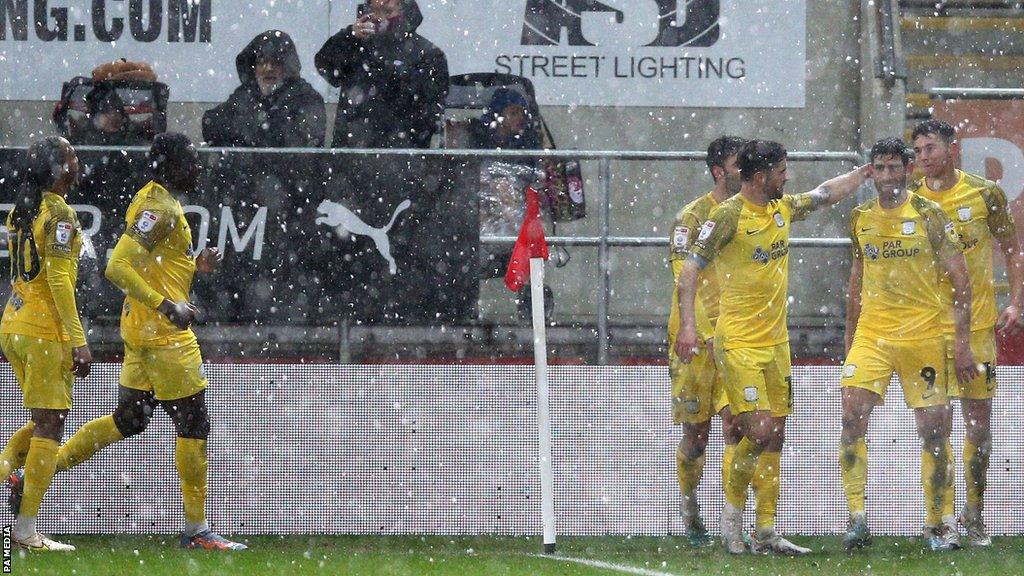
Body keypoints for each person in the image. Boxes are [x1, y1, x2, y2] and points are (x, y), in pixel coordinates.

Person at [9, 133, 244, 551]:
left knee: (129, 419)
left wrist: (193, 266)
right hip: (164, 335)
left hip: (134, 329)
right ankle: (197, 531)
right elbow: (118, 266)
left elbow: (151, 265)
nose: (197, 164)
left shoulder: (151, 200)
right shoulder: (158, 208)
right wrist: (168, 305)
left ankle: (33, 475)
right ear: (172, 165)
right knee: (194, 423)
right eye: (190, 158)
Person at [675, 140, 871, 555]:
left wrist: (861, 174)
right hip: (739, 343)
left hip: (776, 342)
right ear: (762, 177)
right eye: (782, 171)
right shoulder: (727, 216)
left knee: (775, 435)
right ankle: (731, 518)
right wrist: (689, 326)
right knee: (757, 429)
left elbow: (822, 195)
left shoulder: (781, 208)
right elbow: (689, 270)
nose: (787, 177)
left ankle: (766, 529)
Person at [839, 137, 975, 551]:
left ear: (909, 170)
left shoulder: (930, 214)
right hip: (872, 336)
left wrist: (963, 343)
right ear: (872, 173)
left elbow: (962, 283)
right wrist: (850, 342)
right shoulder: (860, 217)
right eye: (879, 169)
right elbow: (856, 284)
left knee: (934, 429)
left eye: (893, 168)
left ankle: (940, 522)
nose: (886, 177)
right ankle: (857, 517)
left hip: (923, 334)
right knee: (850, 417)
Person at [910, 119, 1023, 547]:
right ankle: (938, 521)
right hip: (926, 329)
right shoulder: (910, 201)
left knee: (978, 428)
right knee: (934, 427)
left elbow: (1012, 250)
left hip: (976, 329)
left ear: (951, 149)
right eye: (918, 150)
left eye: (930, 148)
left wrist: (1015, 302)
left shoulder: (984, 193)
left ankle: (973, 516)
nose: (923, 157)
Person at [0, 137, 91, 551]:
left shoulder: (22, 210)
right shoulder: (60, 214)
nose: (77, 161)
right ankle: (24, 531)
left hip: (13, 323)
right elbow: (57, 280)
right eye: (71, 155)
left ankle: (21, 518)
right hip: (42, 330)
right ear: (58, 169)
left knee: (42, 421)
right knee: (51, 423)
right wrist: (78, 340)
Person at [667, 136, 755, 546]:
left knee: (736, 424)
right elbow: (682, 276)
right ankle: (689, 508)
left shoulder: (747, 212)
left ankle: (730, 517)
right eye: (740, 164)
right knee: (696, 433)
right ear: (720, 171)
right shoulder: (692, 216)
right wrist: (695, 328)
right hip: (695, 341)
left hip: (736, 336)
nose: (747, 170)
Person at [315, 0, 449, 148]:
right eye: (373, 11)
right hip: (351, 156)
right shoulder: (355, 46)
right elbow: (326, 66)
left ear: (404, 11)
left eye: (388, 11)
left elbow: (431, 112)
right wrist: (349, 36)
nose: (380, 18)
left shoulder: (427, 55)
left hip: (404, 156)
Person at [202, 30, 326, 148]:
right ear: (254, 68)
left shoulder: (307, 98)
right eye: (262, 62)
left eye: (275, 63)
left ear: (287, 68)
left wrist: (252, 128)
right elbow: (211, 123)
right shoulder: (245, 94)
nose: (268, 68)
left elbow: (295, 143)